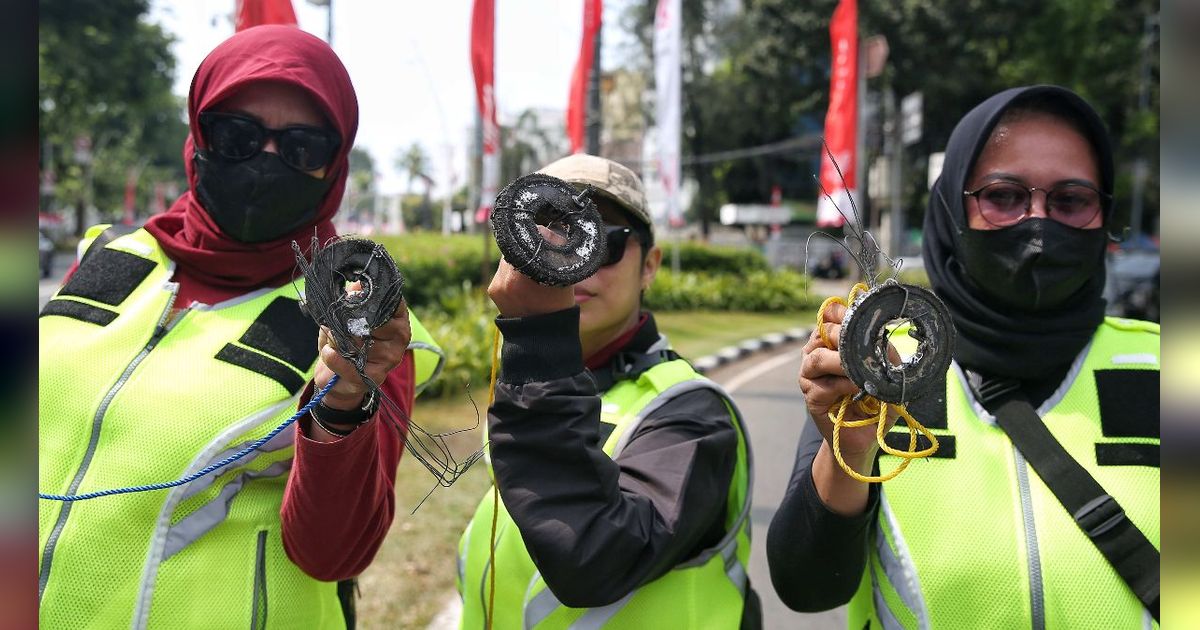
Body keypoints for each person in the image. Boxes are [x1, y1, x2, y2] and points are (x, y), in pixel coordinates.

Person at [38, 26, 443, 629]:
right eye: (237, 137)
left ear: (335, 166)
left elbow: (336, 552)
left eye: (302, 148)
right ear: (199, 139)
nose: (265, 163)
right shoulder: (109, 256)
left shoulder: (361, 326)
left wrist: (344, 400)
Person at [766, 85, 1159, 628]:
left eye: (1070, 201)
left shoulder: (1166, 370)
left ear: (1104, 215)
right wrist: (848, 451)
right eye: (1004, 197)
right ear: (953, 206)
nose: (1038, 226)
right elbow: (806, 587)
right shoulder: (879, 367)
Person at [456, 154, 760, 628]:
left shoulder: (692, 414)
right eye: (550, 234)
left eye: (606, 242)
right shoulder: (522, 383)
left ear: (650, 266)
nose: (578, 262)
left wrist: (539, 343)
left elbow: (592, 556)